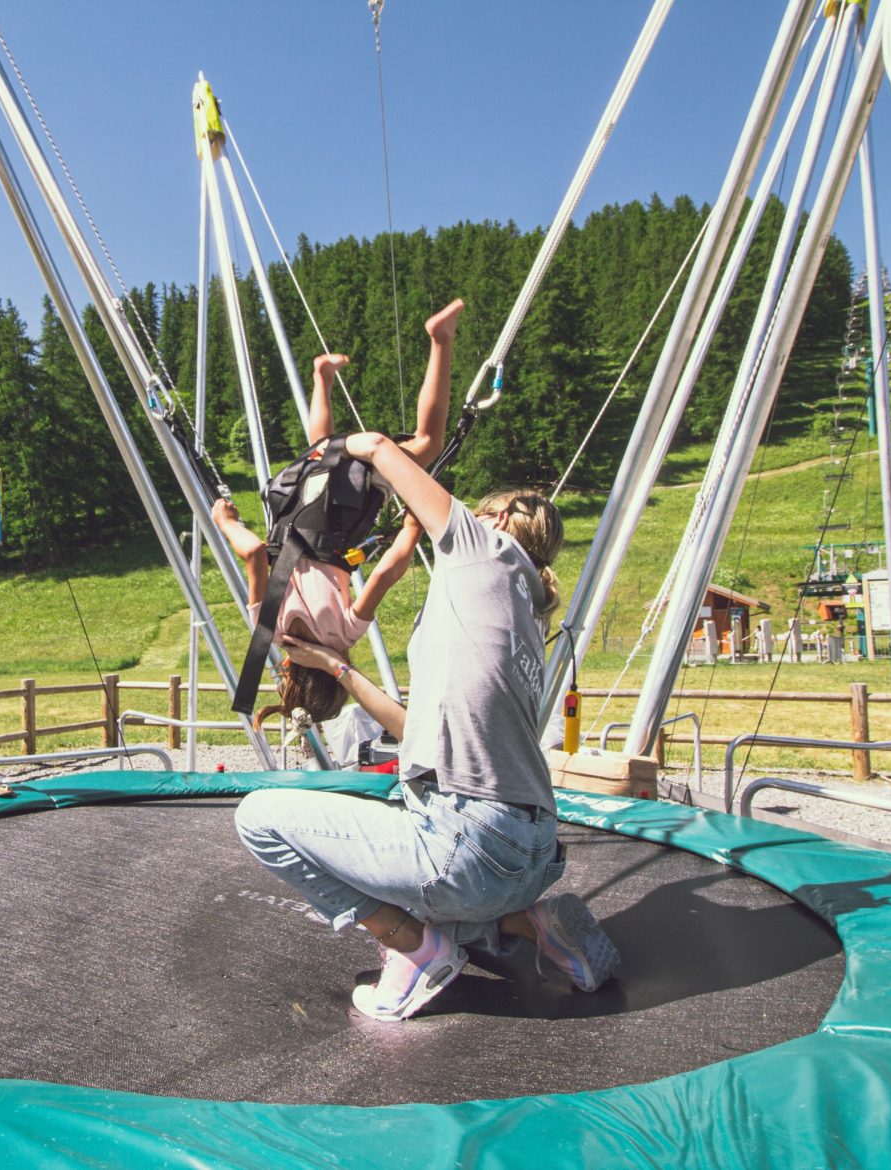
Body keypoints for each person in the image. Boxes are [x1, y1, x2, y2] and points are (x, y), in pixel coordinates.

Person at [233, 431, 620, 1022]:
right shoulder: (517, 613)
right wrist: (337, 667)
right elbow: (415, 729)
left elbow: (386, 452)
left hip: (469, 844)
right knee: (441, 889)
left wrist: (339, 447)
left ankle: (414, 947)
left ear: (491, 520)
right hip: (533, 852)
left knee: (258, 819)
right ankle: (534, 922)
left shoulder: (482, 550)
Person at [212, 299, 464, 729]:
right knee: (323, 445)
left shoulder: (344, 636)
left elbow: (385, 574)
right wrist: (226, 522)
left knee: (427, 443)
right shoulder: (267, 627)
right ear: (287, 673)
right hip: (298, 488)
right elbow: (255, 552)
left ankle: (440, 340)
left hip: (345, 503)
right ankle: (321, 376)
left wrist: (412, 527)